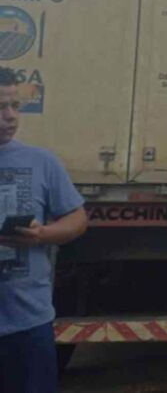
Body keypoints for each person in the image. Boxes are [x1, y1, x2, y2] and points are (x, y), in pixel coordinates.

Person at [0, 67, 87, 392]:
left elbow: (77, 218)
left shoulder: (41, 161)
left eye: (15, 106)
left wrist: (42, 235)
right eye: (0, 108)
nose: (10, 117)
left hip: (28, 323)